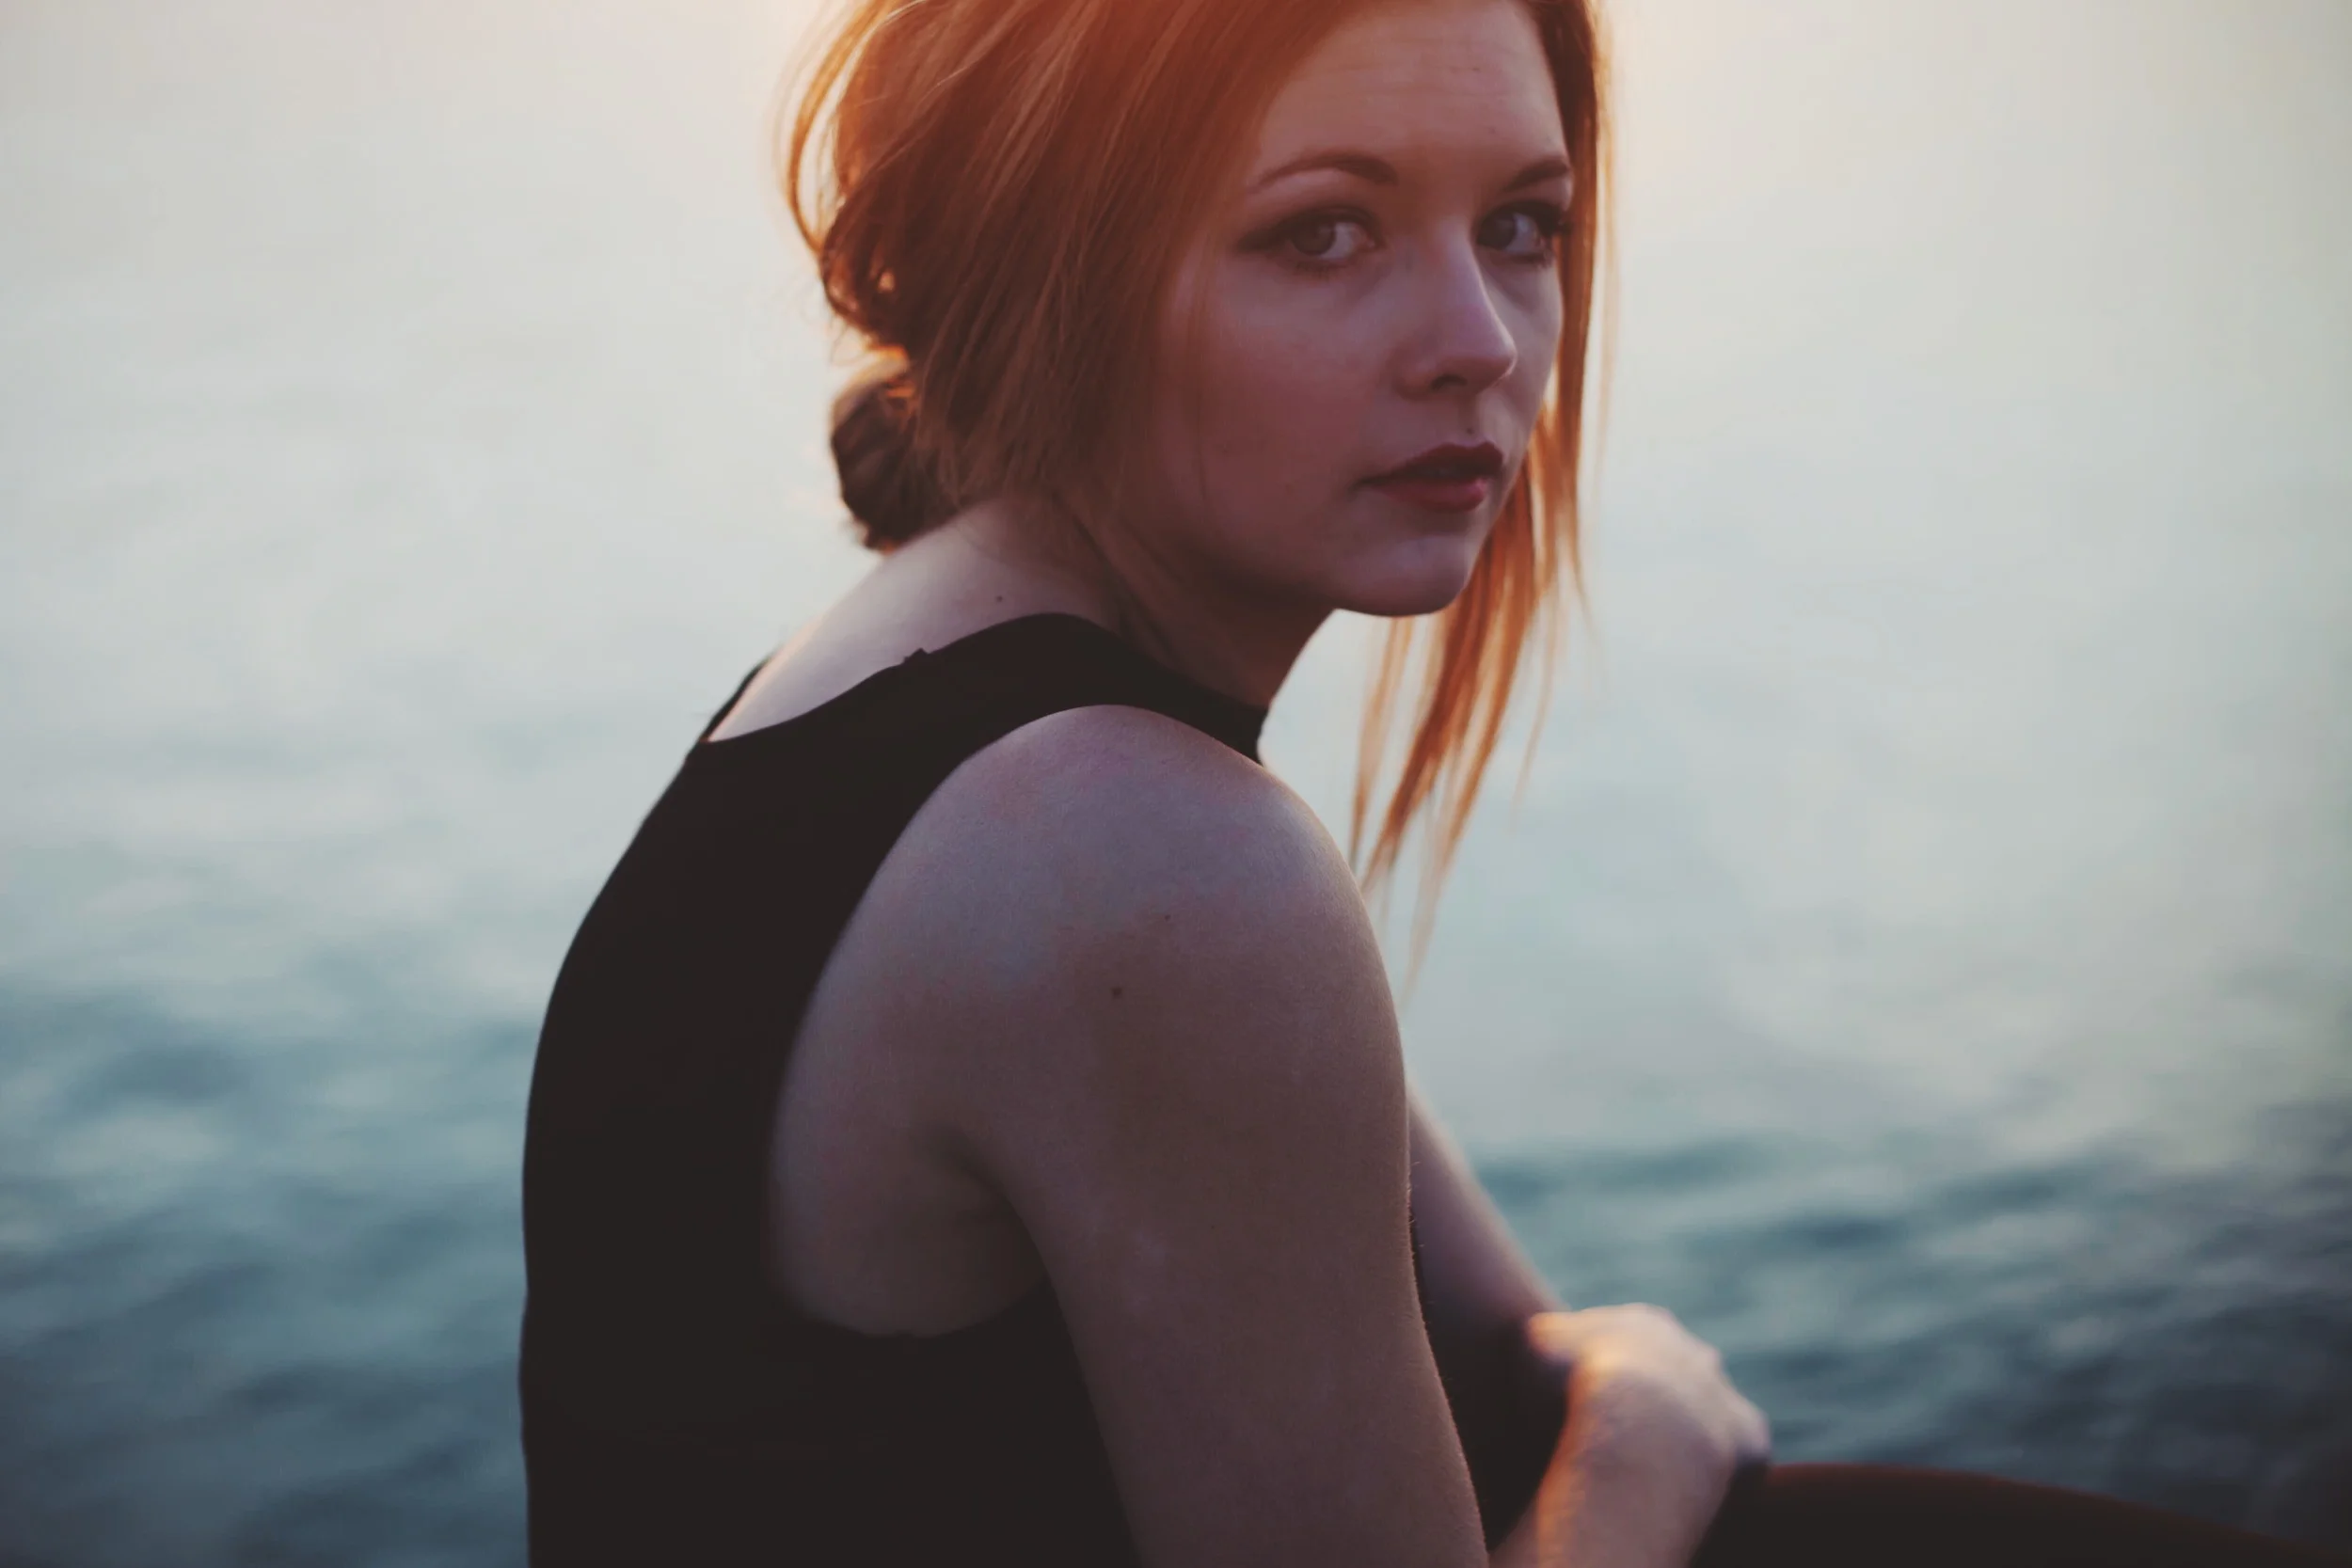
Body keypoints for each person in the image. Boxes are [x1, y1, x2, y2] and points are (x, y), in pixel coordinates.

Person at [516, 0, 2346, 1563]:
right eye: (1321, 233)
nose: (1477, 337)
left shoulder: (878, 693)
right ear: (1053, 273)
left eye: (1525, 223)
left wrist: (1585, 1376)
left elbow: (1495, 1338)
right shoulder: (1123, 854)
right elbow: (1589, 1379)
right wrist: (1633, 1435)